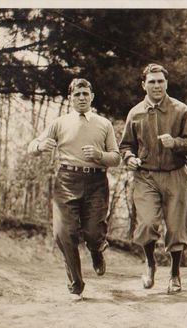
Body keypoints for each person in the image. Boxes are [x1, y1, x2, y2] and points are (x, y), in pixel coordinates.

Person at [28, 78, 121, 300]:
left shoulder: (104, 124)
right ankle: (75, 284)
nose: (81, 98)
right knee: (63, 233)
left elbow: (116, 158)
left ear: (92, 97)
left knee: (92, 232)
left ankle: (97, 249)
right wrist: (41, 146)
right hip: (67, 180)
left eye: (85, 94)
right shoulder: (59, 123)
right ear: (70, 98)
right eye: (77, 94)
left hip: (96, 182)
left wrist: (99, 156)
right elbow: (32, 147)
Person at [119, 63, 187, 294]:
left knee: (176, 228)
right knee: (146, 224)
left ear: (166, 83)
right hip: (146, 176)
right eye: (152, 82)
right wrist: (129, 157)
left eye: (160, 81)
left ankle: (175, 273)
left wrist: (175, 143)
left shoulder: (180, 109)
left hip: (176, 174)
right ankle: (150, 263)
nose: (156, 85)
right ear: (143, 85)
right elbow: (126, 145)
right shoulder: (135, 113)